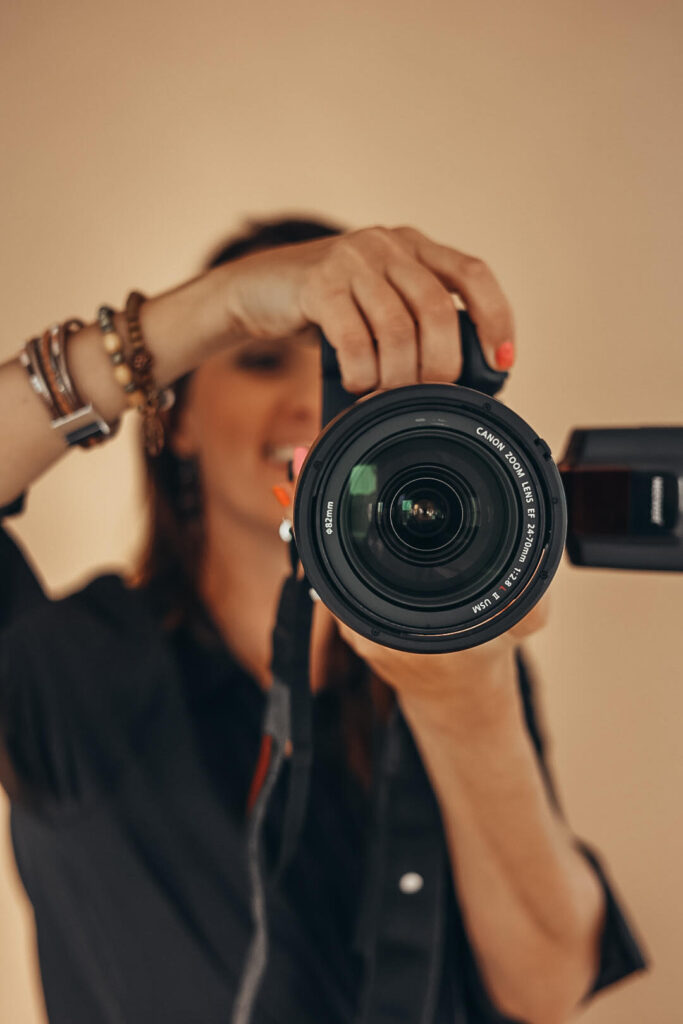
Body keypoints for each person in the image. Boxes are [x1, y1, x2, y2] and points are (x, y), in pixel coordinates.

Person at [0, 218, 648, 1024]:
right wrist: (213, 308)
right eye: (262, 358)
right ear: (183, 423)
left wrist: (461, 702)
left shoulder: (470, 641)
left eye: (352, 377)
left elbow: (547, 986)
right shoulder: (72, 662)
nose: (311, 399)